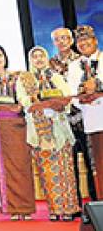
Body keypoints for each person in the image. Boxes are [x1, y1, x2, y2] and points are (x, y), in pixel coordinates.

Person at [17, 46, 80, 221]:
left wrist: (57, 105)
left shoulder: (56, 76)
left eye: (41, 56)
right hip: (39, 129)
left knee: (64, 169)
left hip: (59, 126)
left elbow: (67, 97)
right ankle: (54, 209)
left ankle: (68, 208)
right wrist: (36, 100)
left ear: (46, 58)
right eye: (35, 56)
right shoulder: (24, 79)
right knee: (46, 171)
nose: (38, 59)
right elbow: (22, 100)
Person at [0, 45, 35, 220]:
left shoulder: (18, 76)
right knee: (5, 167)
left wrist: (21, 105)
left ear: (5, 57)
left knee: (22, 165)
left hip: (18, 123)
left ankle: (25, 208)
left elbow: (26, 98)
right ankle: (12, 208)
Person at [50, 27, 97, 207]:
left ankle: (95, 202)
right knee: (67, 165)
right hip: (61, 120)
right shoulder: (49, 64)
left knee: (90, 160)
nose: (61, 42)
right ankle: (74, 206)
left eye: (65, 38)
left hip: (84, 116)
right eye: (57, 39)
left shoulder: (82, 60)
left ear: (71, 41)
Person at [67, 25, 103, 200]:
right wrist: (82, 98)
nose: (84, 43)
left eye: (87, 39)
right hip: (91, 122)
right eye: (80, 41)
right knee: (98, 168)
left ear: (95, 40)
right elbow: (71, 94)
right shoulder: (74, 67)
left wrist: (98, 89)